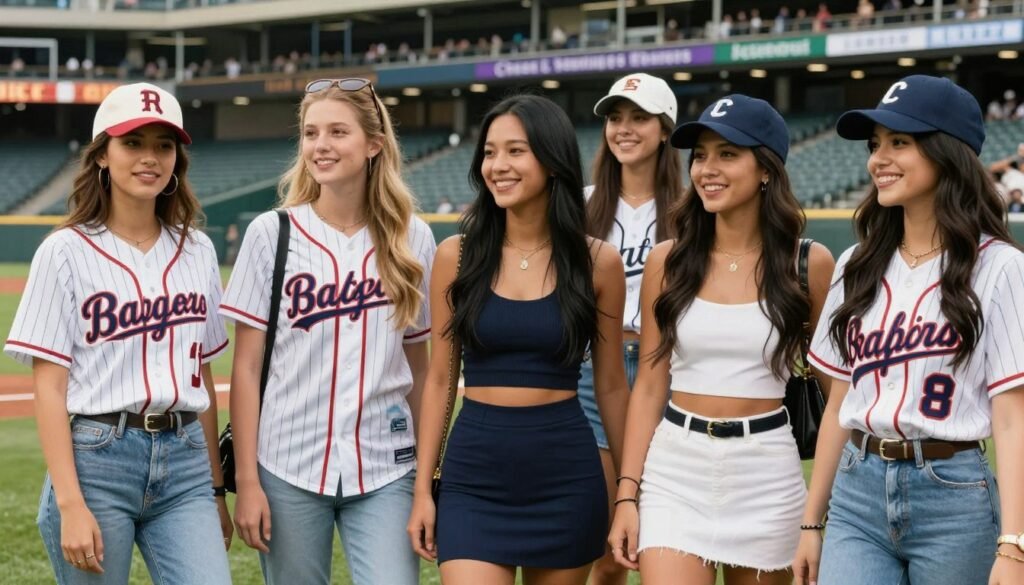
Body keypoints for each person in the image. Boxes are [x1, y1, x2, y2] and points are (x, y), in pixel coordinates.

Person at [793, 75, 1024, 585]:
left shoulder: (1001, 268)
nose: (879, 158)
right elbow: (838, 403)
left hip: (954, 492)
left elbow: (1012, 417)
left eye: (900, 142)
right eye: (876, 145)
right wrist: (812, 521)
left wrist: (1013, 545)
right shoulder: (857, 263)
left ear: (949, 153)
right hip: (859, 487)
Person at [3, 82, 233, 584]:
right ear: (102, 155)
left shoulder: (197, 251)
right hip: (98, 460)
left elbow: (203, 374)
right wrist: (69, 502)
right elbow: (49, 385)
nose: (150, 157)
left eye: (163, 145)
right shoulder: (64, 251)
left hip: (187, 461)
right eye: (133, 142)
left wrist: (216, 491)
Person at [607, 94, 835, 585]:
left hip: (767, 472)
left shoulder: (808, 264)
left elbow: (837, 398)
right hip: (675, 469)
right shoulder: (667, 261)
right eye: (701, 155)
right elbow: (649, 385)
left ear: (766, 170)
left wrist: (818, 514)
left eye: (728, 154)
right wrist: (628, 493)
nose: (708, 168)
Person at [407, 94, 631, 585]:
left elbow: (612, 387)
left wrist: (632, 492)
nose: (498, 166)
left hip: (567, 476)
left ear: (552, 162)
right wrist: (424, 489)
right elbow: (441, 380)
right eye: (489, 152)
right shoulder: (456, 256)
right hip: (474, 477)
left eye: (515, 151)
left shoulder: (599, 262)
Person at [221, 78, 435, 585]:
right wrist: (247, 480)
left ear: (374, 144)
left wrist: (427, 481)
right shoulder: (270, 234)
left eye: (339, 132)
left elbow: (423, 372)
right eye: (311, 133)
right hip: (287, 462)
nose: (321, 145)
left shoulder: (414, 239)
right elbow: (246, 370)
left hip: (387, 465)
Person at [580, 72, 684, 585]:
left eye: (638, 118)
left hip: (667, 375)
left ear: (665, 130)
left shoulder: (692, 212)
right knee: (604, 540)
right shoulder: (581, 203)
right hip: (594, 374)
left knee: (660, 532)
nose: (623, 128)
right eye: (615, 118)